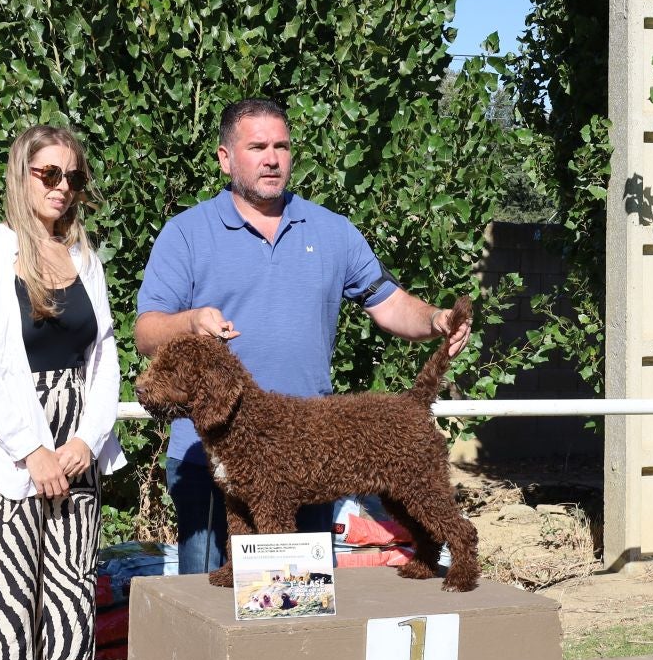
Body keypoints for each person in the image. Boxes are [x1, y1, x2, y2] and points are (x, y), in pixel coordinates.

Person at [134, 98, 472, 574]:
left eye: (281, 146)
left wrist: (435, 318)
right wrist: (190, 322)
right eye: (257, 147)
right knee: (210, 600)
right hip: (207, 454)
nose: (272, 158)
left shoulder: (333, 231)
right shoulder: (186, 233)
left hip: (314, 449)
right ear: (225, 157)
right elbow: (146, 331)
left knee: (298, 600)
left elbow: (391, 303)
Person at [0, 125, 125, 660]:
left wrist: (86, 442)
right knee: (6, 604)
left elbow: (104, 356)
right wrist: (32, 449)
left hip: (76, 450)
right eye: (49, 174)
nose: (61, 187)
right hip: (8, 451)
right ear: (21, 174)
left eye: (73, 176)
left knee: (72, 598)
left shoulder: (84, 259)